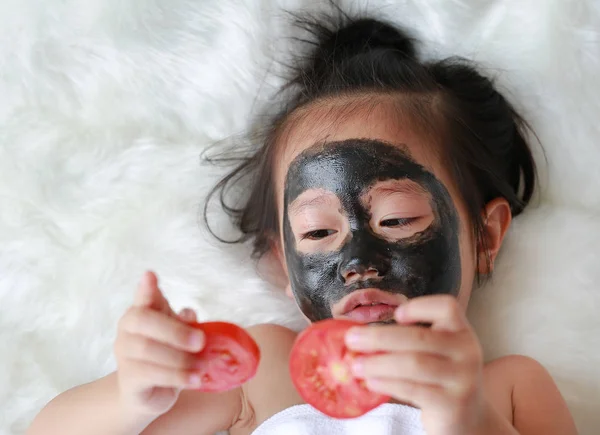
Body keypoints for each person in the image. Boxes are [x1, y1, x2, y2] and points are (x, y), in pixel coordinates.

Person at [27, 10, 577, 435]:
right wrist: (133, 394)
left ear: (486, 235)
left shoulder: (509, 388)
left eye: (397, 219)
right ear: (281, 263)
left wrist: (468, 417)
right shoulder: (264, 369)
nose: (359, 263)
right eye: (317, 232)